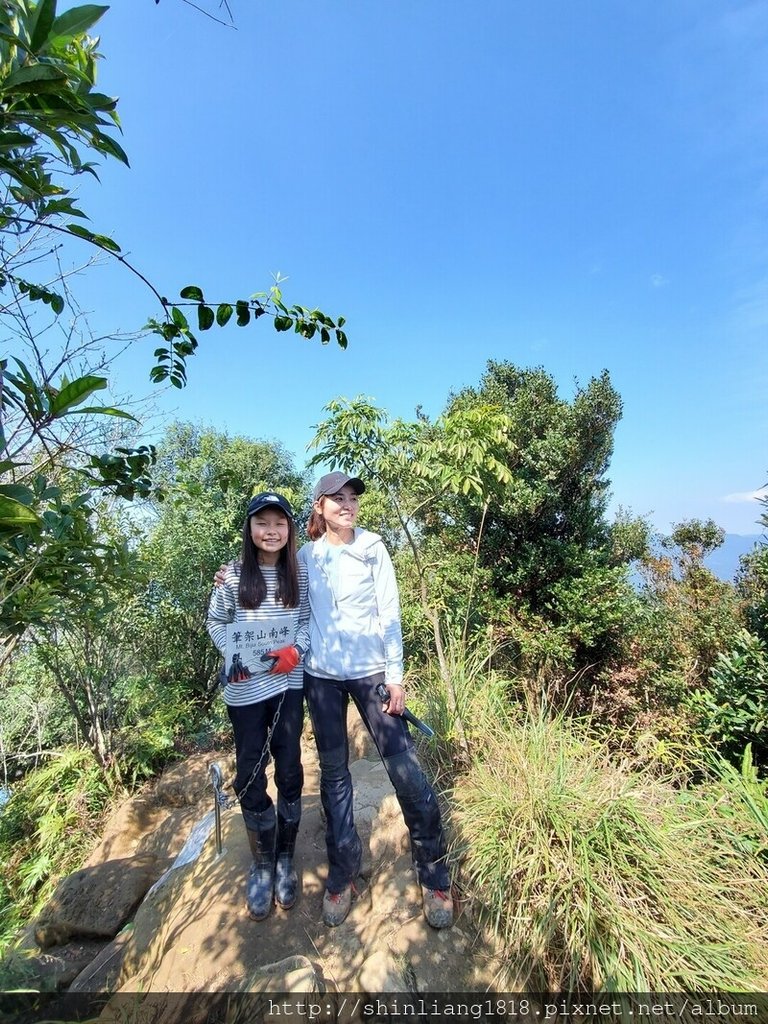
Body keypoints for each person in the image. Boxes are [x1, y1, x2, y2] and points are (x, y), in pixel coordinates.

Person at [299, 471, 453, 929]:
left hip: (371, 675)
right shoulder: (308, 556)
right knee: (333, 775)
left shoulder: (372, 547)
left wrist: (396, 677)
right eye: (337, 498)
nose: (347, 504)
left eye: (352, 498)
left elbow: (390, 615)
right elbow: (304, 614)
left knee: (403, 766)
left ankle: (435, 873)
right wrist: (299, 653)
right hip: (321, 678)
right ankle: (342, 873)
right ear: (320, 507)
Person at [206, 491, 310, 921]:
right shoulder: (231, 578)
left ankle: (285, 856)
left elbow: (306, 623)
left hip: (287, 686)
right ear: (249, 530)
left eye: (279, 523)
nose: (271, 531)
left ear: (290, 530)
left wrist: (296, 652)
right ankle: (262, 863)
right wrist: (235, 657)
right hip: (246, 693)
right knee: (249, 773)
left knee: (289, 767)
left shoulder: (297, 575)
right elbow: (215, 621)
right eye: (262, 523)